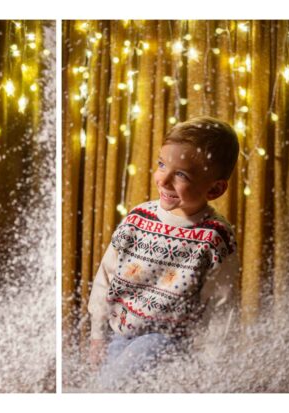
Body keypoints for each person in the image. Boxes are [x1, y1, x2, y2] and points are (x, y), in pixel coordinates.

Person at [87, 116, 240, 390]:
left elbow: (221, 307)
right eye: (161, 165)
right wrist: (98, 334)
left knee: (112, 388)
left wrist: (211, 366)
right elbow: (106, 277)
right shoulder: (137, 219)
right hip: (120, 333)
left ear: (215, 189)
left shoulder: (214, 237)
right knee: (110, 384)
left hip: (168, 341)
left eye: (181, 175)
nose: (164, 179)